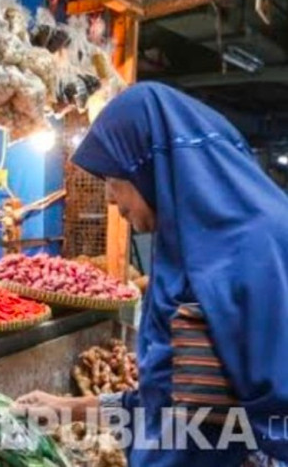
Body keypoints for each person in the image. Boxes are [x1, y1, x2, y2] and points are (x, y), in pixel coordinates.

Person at [16, 82, 288, 465]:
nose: (110, 198)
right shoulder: (179, 252)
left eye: (114, 180)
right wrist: (66, 407)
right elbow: (161, 404)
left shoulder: (258, 249)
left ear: (150, 166)